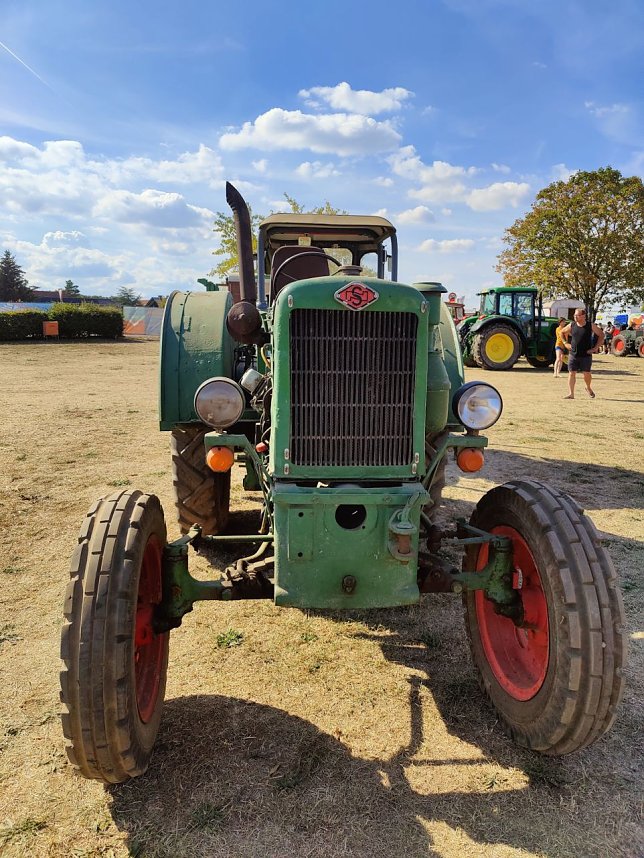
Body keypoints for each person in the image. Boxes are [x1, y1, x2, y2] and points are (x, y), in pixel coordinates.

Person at [561, 309, 604, 399]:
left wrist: (595, 348)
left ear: (584, 316)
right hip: (573, 354)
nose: (575, 317)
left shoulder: (590, 325)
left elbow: (601, 335)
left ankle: (588, 387)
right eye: (574, 316)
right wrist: (565, 343)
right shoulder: (572, 325)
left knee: (586, 373)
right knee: (571, 373)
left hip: (586, 354)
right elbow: (562, 332)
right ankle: (571, 393)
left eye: (577, 315)